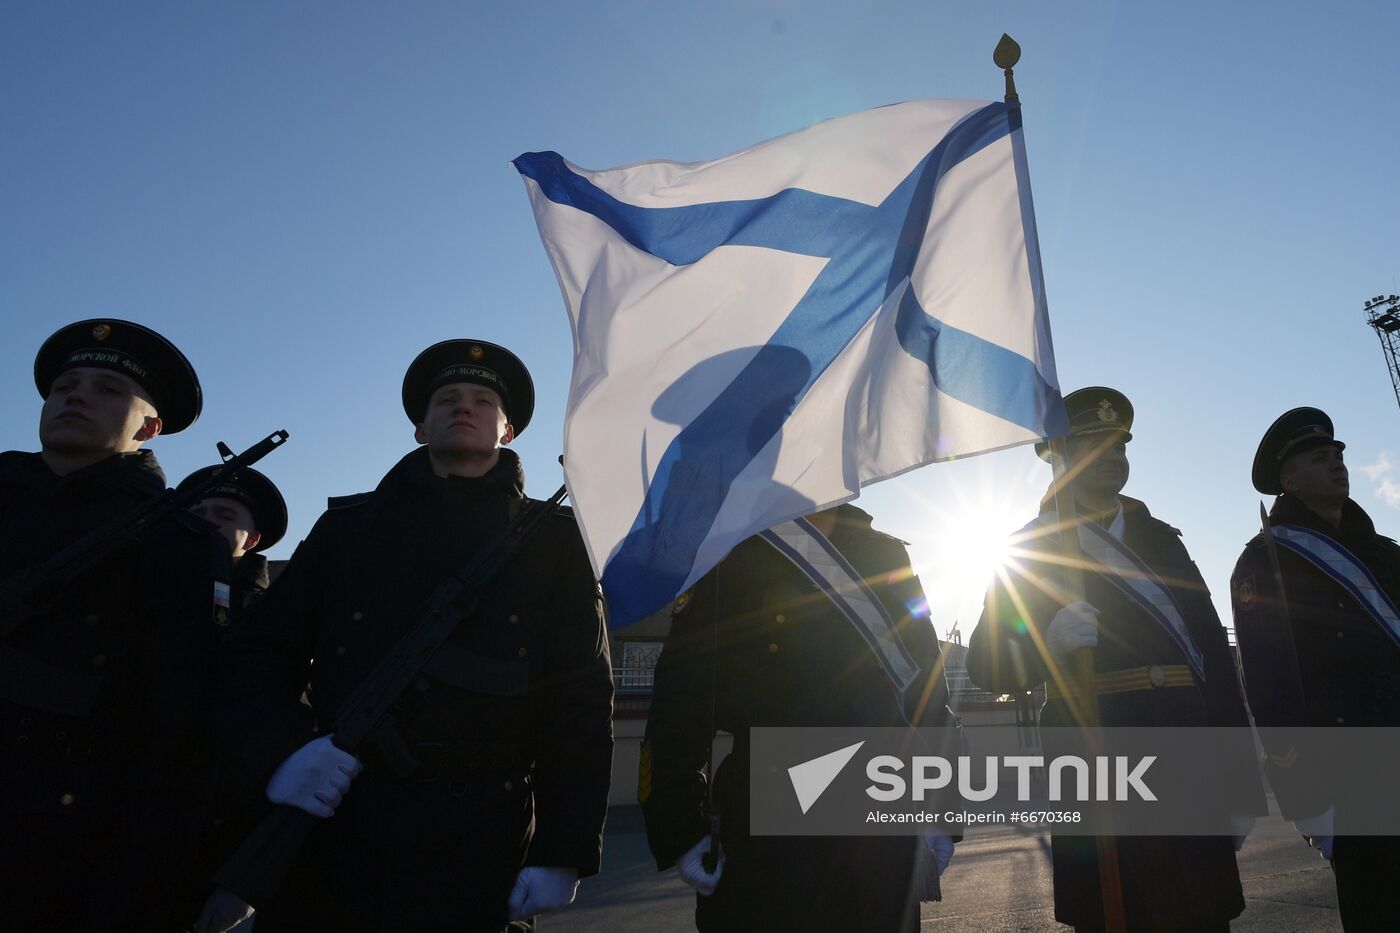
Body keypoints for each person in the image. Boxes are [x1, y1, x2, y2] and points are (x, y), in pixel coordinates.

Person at [206, 339, 614, 932]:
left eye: (481, 400)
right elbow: (261, 657)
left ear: (509, 431)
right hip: (342, 819)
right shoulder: (348, 530)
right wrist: (285, 753)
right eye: (446, 399)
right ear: (420, 428)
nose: (462, 407)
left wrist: (564, 848)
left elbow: (580, 701)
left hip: (481, 831)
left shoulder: (553, 543)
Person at [965, 387, 1263, 932]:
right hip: (1095, 763)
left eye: (1119, 448)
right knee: (1114, 916)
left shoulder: (1163, 541)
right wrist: (1044, 645)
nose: (1113, 461)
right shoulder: (1030, 548)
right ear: (1057, 458)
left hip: (1185, 752)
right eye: (1092, 448)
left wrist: (1239, 784)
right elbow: (986, 667)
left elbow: (1215, 664)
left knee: (1202, 913)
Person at [0, 318, 231, 930]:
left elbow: (178, 729)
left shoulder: (178, 543)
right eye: (64, 386)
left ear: (149, 427)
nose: (74, 396)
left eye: (107, 389)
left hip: (63, 845)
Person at [640, 502, 955, 932]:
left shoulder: (884, 554)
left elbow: (927, 689)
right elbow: (681, 700)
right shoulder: (727, 552)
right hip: (767, 824)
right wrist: (681, 828)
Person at [1231, 407, 1400, 930]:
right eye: (1319, 458)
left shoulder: (1387, 555)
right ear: (1287, 480)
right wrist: (1306, 800)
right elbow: (1270, 686)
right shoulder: (1266, 562)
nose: (1337, 465)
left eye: (1338, 456)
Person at [179, 464, 288, 624]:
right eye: (197, 514)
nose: (206, 521)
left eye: (225, 516)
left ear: (251, 540)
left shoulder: (268, 611)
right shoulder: (150, 586)